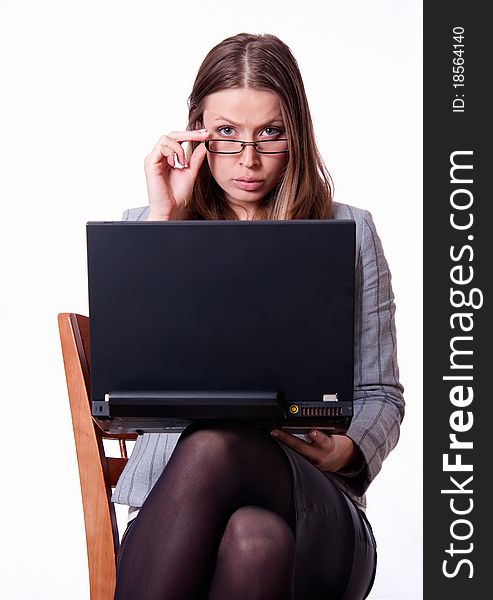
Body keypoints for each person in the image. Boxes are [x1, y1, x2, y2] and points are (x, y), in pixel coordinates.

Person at [112, 32, 405, 600]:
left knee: (216, 444)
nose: (248, 159)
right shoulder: (148, 227)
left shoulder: (350, 231)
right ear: (195, 130)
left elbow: (382, 395)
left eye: (269, 133)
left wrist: (346, 450)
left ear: (295, 131)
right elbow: (129, 393)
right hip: (181, 522)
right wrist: (163, 225)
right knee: (254, 540)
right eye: (226, 133)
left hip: (317, 506)